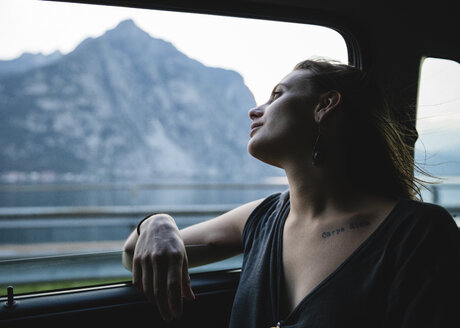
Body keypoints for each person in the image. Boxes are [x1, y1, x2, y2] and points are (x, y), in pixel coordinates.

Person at [122, 59, 460, 327]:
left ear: (325, 105)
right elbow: (133, 255)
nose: (255, 110)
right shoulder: (261, 217)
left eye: (278, 95)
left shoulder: (419, 232)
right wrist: (158, 223)